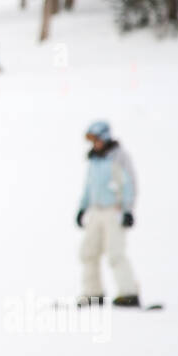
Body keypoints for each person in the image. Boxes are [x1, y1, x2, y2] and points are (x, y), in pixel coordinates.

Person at [76, 120, 139, 307]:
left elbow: (129, 185)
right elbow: (88, 187)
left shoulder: (118, 158)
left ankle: (129, 293)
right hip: (96, 211)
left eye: (96, 139)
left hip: (114, 211)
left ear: (104, 136)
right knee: (88, 252)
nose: (94, 143)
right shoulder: (94, 159)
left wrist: (128, 210)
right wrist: (82, 208)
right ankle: (93, 293)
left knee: (115, 253)